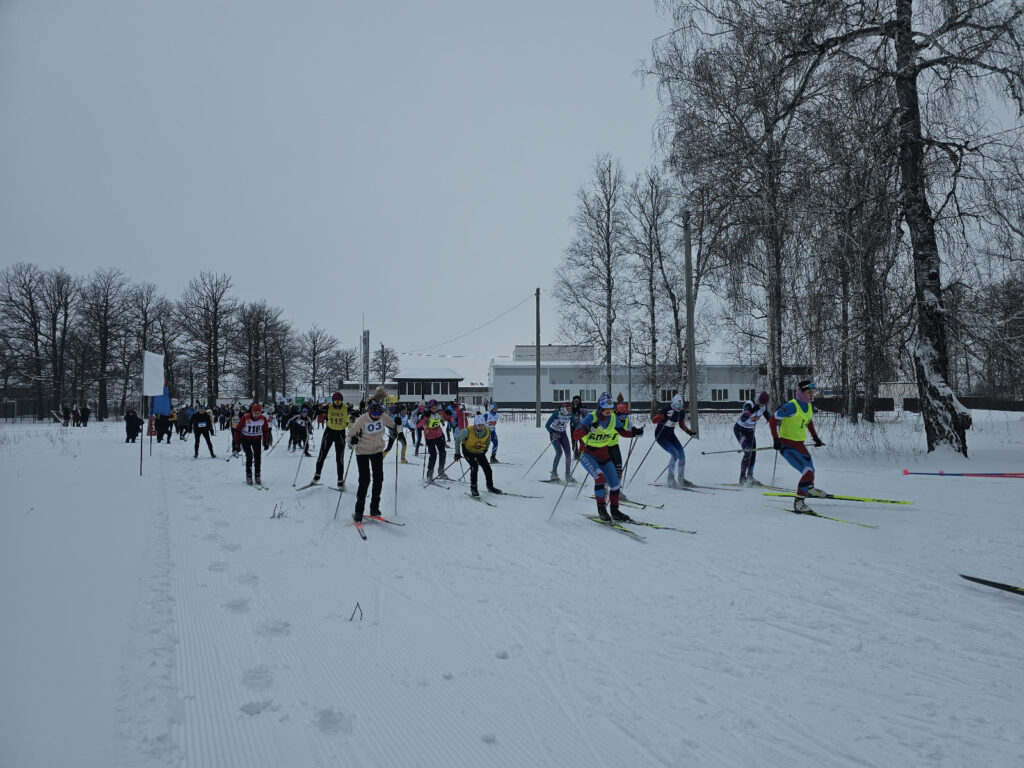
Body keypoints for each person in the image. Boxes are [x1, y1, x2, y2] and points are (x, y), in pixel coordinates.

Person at [572, 392, 642, 521]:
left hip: (603, 454)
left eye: (610, 410)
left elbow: (622, 432)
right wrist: (588, 429)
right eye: (605, 410)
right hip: (587, 453)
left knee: (615, 484)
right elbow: (575, 436)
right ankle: (602, 510)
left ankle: (615, 511)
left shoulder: (614, 418)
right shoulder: (590, 417)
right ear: (600, 408)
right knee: (599, 477)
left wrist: (635, 433)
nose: (608, 413)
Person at [769, 380, 826, 513]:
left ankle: (810, 489)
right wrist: (776, 439)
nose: (812, 395)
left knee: (811, 469)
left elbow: (809, 421)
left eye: (813, 392)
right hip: (786, 446)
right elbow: (773, 419)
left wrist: (815, 437)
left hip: (799, 444)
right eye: (809, 392)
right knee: (807, 471)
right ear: (801, 393)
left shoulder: (808, 405)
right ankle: (799, 502)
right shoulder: (792, 406)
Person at [347, 387, 396, 522]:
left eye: (379, 412)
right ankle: (359, 511)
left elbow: (393, 424)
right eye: (374, 412)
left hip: (377, 451)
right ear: (369, 411)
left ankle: (374, 508)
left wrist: (397, 428)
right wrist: (352, 440)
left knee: (379, 479)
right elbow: (349, 436)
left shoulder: (383, 417)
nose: (376, 415)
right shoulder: (362, 420)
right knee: (365, 480)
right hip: (362, 451)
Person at [651, 394, 698, 488]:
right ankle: (670, 479)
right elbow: (654, 421)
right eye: (677, 405)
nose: (679, 408)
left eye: (681, 406)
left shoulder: (681, 413)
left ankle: (681, 479)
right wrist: (664, 416)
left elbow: (681, 425)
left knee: (682, 455)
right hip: (661, 436)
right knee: (675, 454)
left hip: (671, 436)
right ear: (673, 404)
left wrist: (690, 432)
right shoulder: (667, 410)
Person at [455, 413, 502, 497]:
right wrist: (457, 453)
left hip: (480, 451)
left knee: (488, 468)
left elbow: (488, 441)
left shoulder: (486, 430)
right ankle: (474, 488)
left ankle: (490, 486)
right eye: (479, 425)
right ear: (475, 424)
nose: (481, 427)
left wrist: (485, 450)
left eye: (482, 425)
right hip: (468, 451)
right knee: (474, 466)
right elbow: (457, 441)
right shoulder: (467, 431)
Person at [312, 391, 350, 488]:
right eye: (335, 401)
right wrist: (315, 406)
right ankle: (317, 476)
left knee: (339, 458)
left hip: (340, 434)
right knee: (322, 455)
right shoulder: (329, 407)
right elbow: (317, 410)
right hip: (329, 433)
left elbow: (358, 412)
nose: (337, 403)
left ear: (342, 401)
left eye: (339, 401)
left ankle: (340, 481)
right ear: (333, 401)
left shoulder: (346, 408)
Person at [735, 391, 770, 485]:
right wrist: (754, 409)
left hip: (750, 431)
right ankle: (742, 478)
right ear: (758, 400)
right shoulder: (749, 404)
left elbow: (770, 418)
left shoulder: (763, 407)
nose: (762, 405)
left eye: (764, 403)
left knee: (753, 452)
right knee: (747, 452)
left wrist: (778, 417)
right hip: (740, 430)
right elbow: (743, 418)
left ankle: (750, 477)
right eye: (761, 402)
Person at [235, 402, 273, 485]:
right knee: (249, 456)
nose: (257, 415)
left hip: (256, 439)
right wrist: (236, 442)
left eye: (259, 413)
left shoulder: (263, 418)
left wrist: (266, 441)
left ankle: (257, 475)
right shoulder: (245, 417)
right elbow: (237, 430)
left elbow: (266, 430)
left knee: (257, 457)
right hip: (245, 439)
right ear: (252, 412)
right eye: (255, 413)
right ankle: (249, 475)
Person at [417, 399, 453, 481]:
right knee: (433, 455)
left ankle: (441, 471)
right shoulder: (426, 414)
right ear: (429, 407)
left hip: (439, 435)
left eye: (435, 407)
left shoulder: (440, 413)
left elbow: (451, 420)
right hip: (429, 437)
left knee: (443, 453)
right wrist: (424, 417)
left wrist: (449, 415)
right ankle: (430, 473)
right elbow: (418, 425)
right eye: (432, 407)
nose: (434, 409)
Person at [545, 401, 576, 483]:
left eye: (570, 408)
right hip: (555, 434)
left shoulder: (571, 414)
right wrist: (552, 433)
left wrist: (579, 428)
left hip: (563, 434)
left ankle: (568, 475)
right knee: (559, 452)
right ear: (564, 408)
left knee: (568, 454)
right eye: (568, 408)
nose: (570, 409)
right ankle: (554, 474)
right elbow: (547, 425)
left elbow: (576, 424)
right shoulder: (557, 413)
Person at [569, 395, 585, 460]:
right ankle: (575, 454)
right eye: (575, 400)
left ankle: (580, 453)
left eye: (577, 400)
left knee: (582, 441)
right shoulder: (570, 407)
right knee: (573, 441)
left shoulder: (582, 407)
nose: (576, 402)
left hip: (581, 427)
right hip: (573, 427)